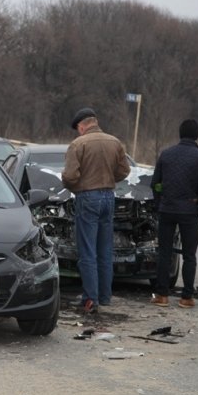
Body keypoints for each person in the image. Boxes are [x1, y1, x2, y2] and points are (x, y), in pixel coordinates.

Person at [62, 108, 130, 312]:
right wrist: (108, 179)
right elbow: (124, 171)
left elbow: (71, 176)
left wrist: (72, 185)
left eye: (78, 129)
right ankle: (104, 296)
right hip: (109, 197)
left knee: (88, 251)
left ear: (82, 126)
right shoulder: (114, 142)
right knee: (105, 249)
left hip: (87, 198)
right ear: (95, 122)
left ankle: (90, 298)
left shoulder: (78, 144)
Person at [150, 119, 198, 308]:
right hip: (189, 212)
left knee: (164, 253)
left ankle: (162, 295)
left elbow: (155, 183)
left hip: (167, 209)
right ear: (196, 135)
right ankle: (186, 297)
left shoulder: (166, 155)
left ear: (180, 134)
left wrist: (160, 203)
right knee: (189, 255)